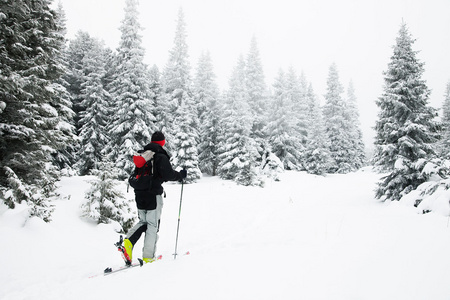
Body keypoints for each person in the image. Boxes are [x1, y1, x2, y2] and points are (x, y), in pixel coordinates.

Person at [123, 131, 187, 263]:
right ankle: (148, 257)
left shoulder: (144, 155)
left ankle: (128, 242)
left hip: (139, 193)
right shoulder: (160, 156)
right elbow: (168, 174)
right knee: (152, 225)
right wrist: (180, 175)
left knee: (143, 221)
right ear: (162, 142)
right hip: (153, 194)